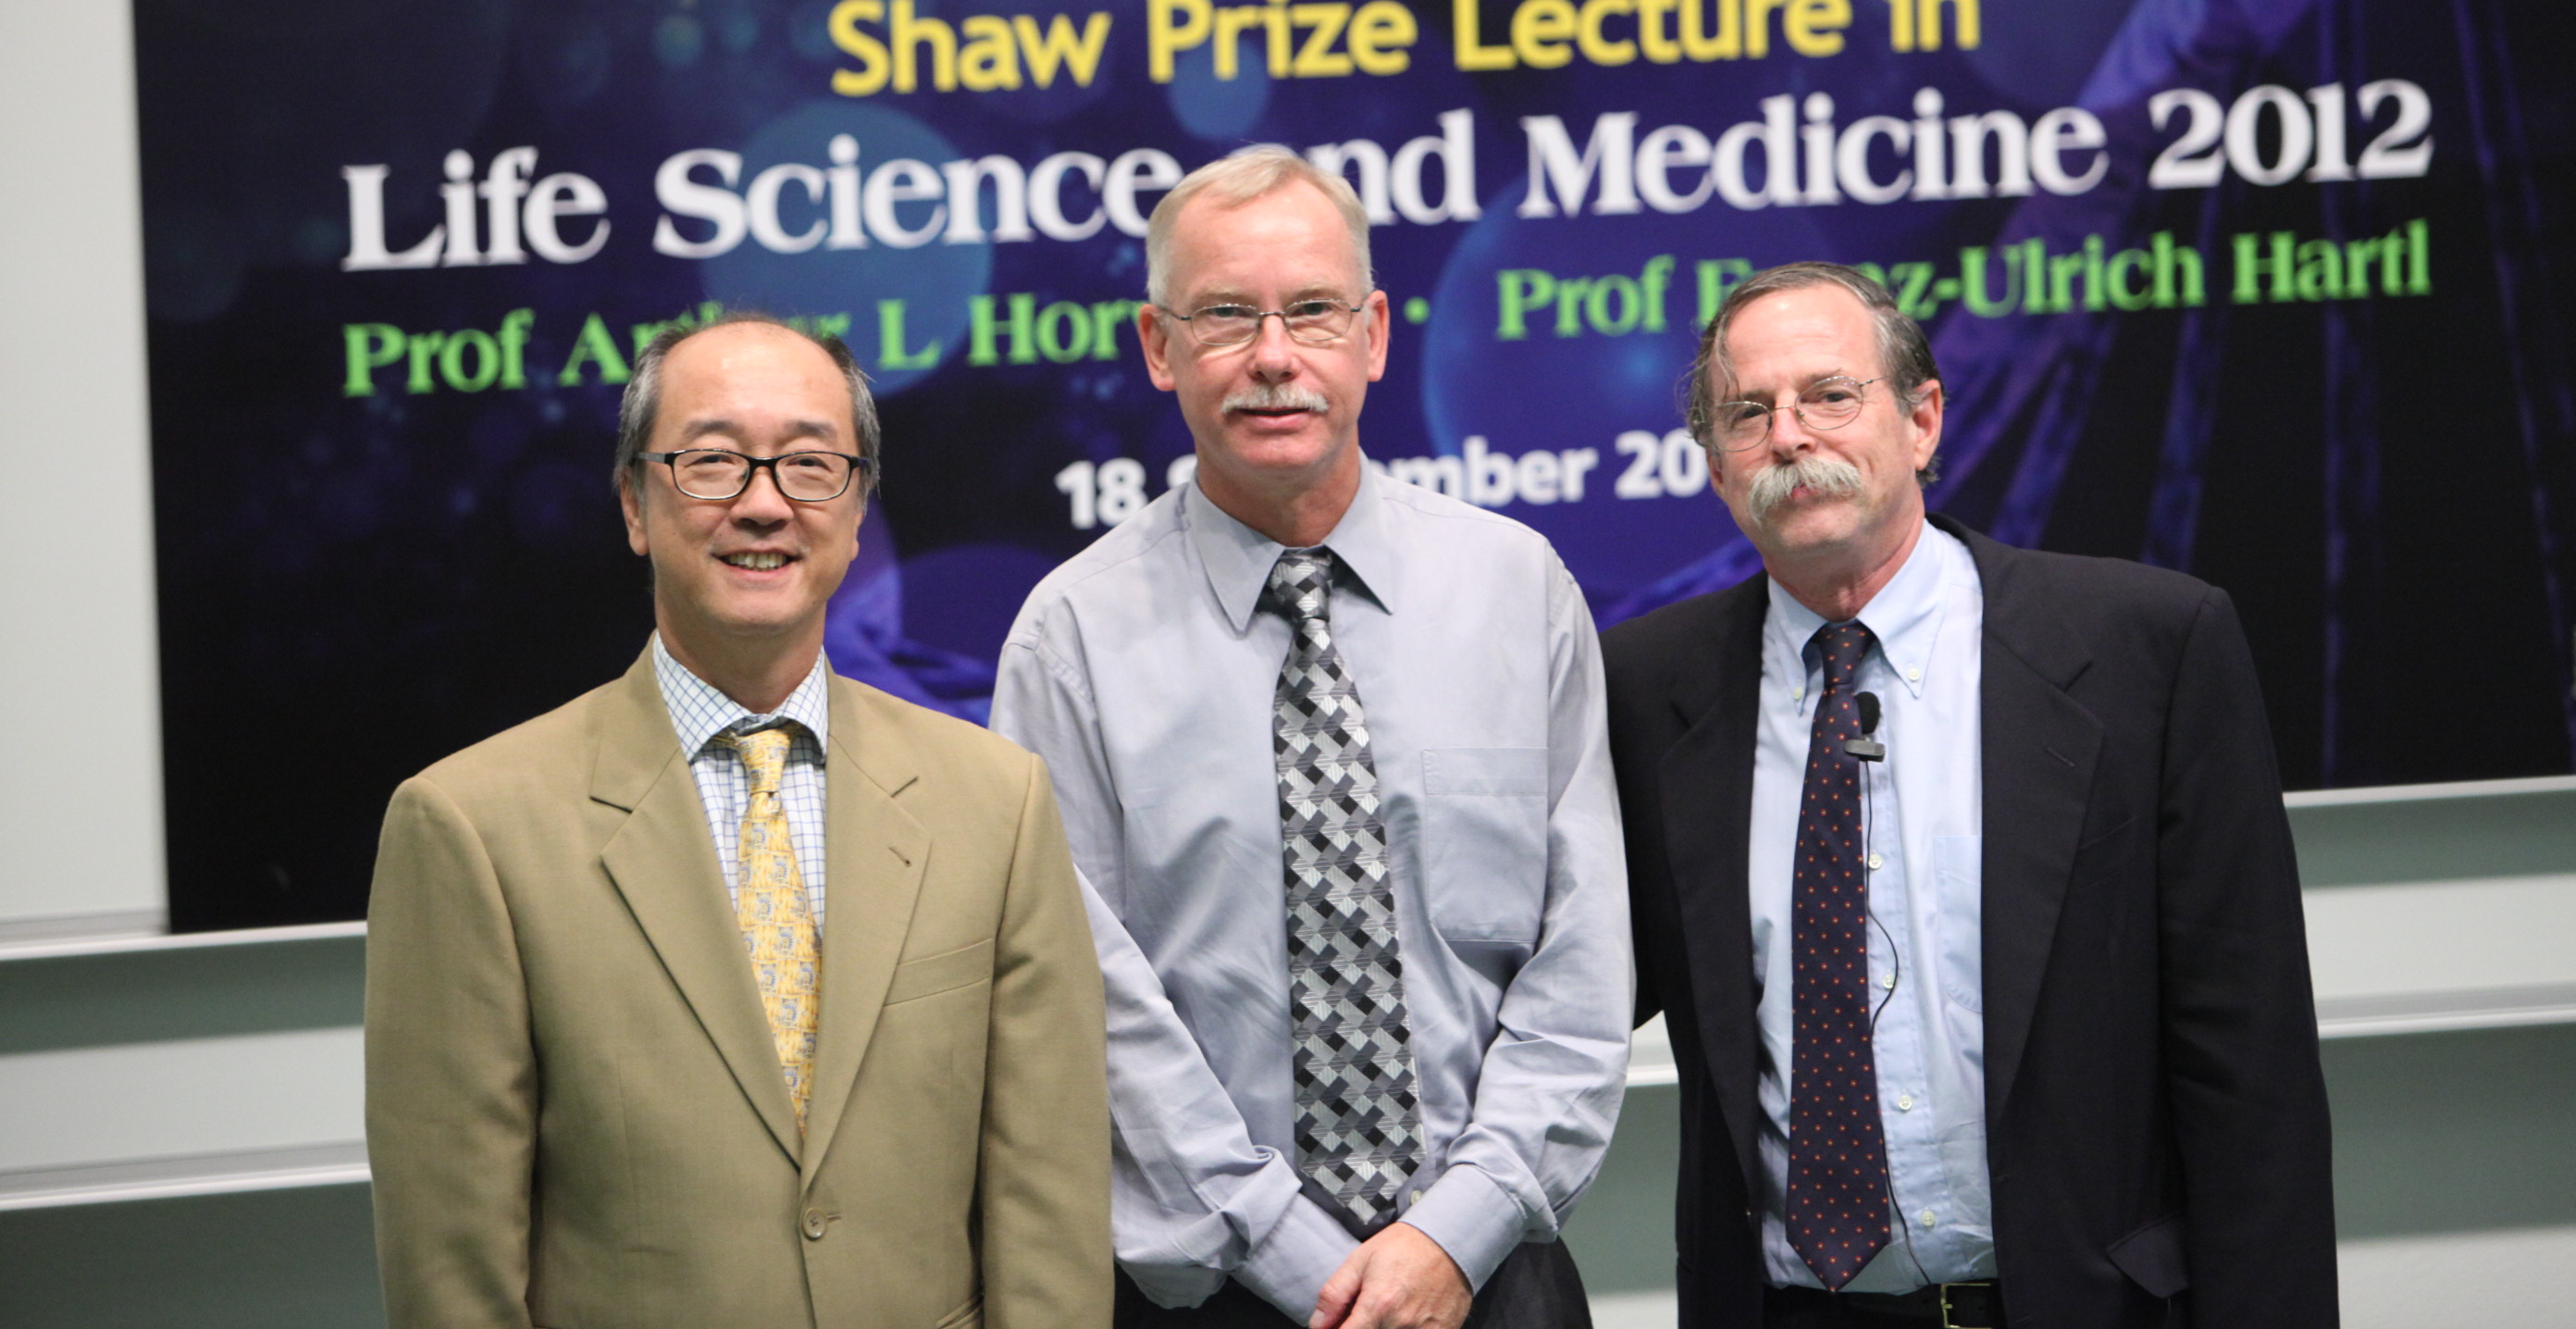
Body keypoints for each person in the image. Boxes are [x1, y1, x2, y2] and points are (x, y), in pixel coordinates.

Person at [1603, 262, 2336, 1329]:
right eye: (1748, 413)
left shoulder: (2149, 648)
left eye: (1830, 394)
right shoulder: (1646, 688)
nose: (1792, 435)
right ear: (1715, 467)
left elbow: (2250, 1070)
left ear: (1922, 420)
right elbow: (1575, 988)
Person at [365, 314, 1110, 1329]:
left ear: (857, 511)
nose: (764, 504)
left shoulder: (997, 801)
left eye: (811, 465)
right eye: (712, 462)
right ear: (634, 502)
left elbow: (1049, 1203)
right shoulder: (470, 828)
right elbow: (453, 1268)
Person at [992, 147, 1631, 1329]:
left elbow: (1582, 963)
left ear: (1376, 333)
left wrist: (1455, 1233)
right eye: (1227, 314)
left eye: (1313, 311)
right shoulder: (1068, 636)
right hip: (1215, 1287)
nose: (1274, 356)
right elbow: (1089, 996)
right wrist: (1299, 1259)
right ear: (1158, 345)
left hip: (1491, 1274)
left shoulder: (1518, 589)